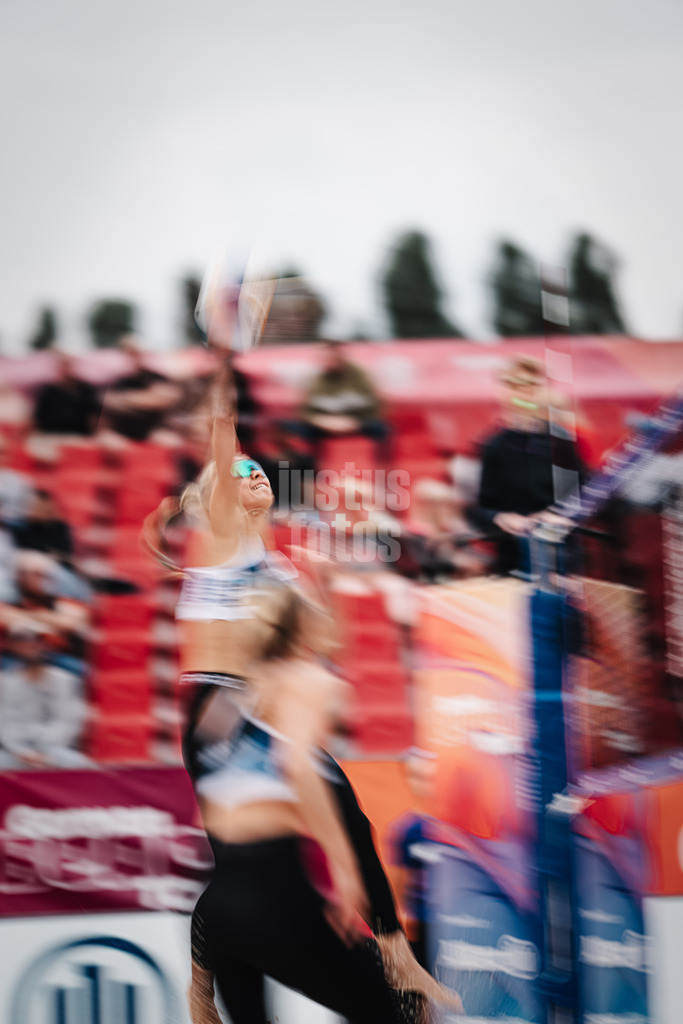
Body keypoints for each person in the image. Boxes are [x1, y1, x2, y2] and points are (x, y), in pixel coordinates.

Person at [143, 360, 461, 1024]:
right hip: (219, 702)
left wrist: (320, 574)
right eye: (241, 472)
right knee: (323, 811)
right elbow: (223, 437)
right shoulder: (225, 536)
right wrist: (225, 356)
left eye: (260, 471)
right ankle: (385, 951)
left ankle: (222, 976)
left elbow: (324, 644)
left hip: (256, 698)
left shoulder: (278, 562)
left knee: (288, 838)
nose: (252, 473)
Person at [471, 355, 584, 574]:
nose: (523, 392)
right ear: (502, 391)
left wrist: (560, 515)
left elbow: (586, 494)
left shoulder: (561, 441)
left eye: (531, 385)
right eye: (514, 385)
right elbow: (482, 508)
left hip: (562, 559)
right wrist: (501, 517)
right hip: (515, 559)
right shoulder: (494, 445)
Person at [0, 623, 90, 769]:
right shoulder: (5, 682)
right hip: (15, 753)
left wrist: (43, 752)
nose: (31, 646)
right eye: (23, 642)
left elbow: (69, 722)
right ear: (13, 647)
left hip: (54, 750)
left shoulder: (65, 680)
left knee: (82, 765)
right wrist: (23, 752)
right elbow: (3, 724)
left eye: (38, 641)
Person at [292, 340, 389, 462]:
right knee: (292, 429)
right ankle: (307, 472)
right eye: (323, 358)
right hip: (323, 424)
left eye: (330, 357)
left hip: (357, 422)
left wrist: (355, 422)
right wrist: (322, 421)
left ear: (339, 356)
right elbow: (303, 411)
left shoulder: (360, 375)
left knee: (382, 429)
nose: (326, 362)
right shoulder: (315, 379)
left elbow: (378, 405)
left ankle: (383, 472)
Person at [101, 336, 181, 443]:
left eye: (134, 352)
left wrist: (125, 399)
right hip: (120, 432)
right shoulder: (118, 379)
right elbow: (108, 401)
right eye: (128, 353)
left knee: (172, 443)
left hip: (152, 431)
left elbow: (163, 400)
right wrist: (146, 397)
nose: (131, 357)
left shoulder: (156, 377)